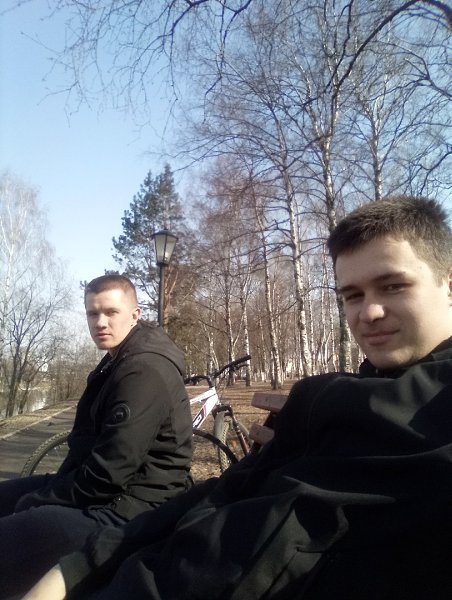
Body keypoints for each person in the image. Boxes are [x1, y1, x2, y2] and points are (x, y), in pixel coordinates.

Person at [23, 196, 452, 600]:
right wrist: (82, 565)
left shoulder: (429, 412)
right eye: (352, 295)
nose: (369, 312)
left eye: (393, 286)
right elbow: (225, 491)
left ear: (448, 285)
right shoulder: (338, 399)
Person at [0, 275, 193, 599]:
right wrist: (46, 491)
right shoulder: (119, 358)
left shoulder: (143, 371)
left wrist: (39, 500)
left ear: (134, 314)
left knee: (13, 531)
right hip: (108, 493)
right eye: (93, 313)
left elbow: (108, 474)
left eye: (111, 312)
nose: (100, 322)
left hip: (133, 509)